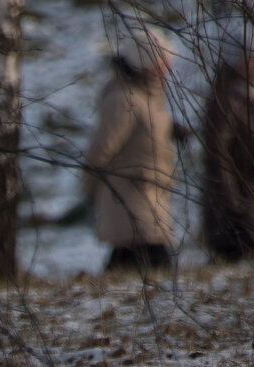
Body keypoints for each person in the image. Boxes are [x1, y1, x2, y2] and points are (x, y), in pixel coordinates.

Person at [83, 27, 178, 272]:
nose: (167, 67)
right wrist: (89, 188)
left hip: (147, 196)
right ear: (145, 64)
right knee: (154, 263)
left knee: (133, 263)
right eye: (162, 62)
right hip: (131, 197)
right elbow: (101, 149)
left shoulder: (148, 97)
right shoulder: (124, 100)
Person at [201, 29, 254, 261]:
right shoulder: (226, 99)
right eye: (250, 58)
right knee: (243, 253)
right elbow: (217, 153)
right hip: (234, 198)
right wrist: (232, 200)